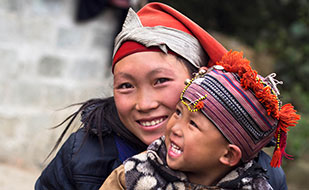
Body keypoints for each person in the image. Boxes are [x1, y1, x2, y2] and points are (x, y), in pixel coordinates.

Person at [35, 2, 287, 190]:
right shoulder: (82, 157)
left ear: (198, 80)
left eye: (161, 81)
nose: (144, 104)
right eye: (125, 86)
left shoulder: (262, 175)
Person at [100, 51, 300, 190]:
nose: (175, 128)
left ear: (229, 154)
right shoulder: (133, 175)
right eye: (178, 113)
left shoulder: (258, 186)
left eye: (193, 124)